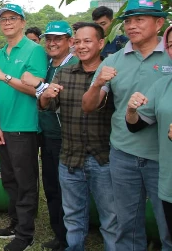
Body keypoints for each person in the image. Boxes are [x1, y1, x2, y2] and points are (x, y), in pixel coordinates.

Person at [82, 0, 172, 250]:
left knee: (168, 228)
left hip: (163, 157)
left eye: (139, 20)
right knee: (127, 225)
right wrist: (98, 83)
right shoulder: (114, 61)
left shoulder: (170, 57)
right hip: (123, 155)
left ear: (159, 24)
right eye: (128, 21)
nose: (132, 26)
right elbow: (88, 106)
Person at [39, 23, 117, 250]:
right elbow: (47, 105)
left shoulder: (110, 73)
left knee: (110, 218)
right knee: (73, 217)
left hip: (103, 158)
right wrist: (45, 96)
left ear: (101, 43)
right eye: (78, 41)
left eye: (88, 41)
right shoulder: (64, 73)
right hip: (70, 158)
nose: (82, 46)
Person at [0, 3, 48, 251]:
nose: (7, 23)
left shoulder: (35, 51)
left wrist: (6, 77)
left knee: (25, 181)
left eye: (12, 18)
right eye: (3, 19)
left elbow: (36, 90)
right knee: (10, 179)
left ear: (23, 22)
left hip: (24, 127)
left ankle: (25, 234)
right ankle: (15, 223)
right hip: (5, 127)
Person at [21, 21, 77, 251]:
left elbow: (63, 97)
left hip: (67, 137)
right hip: (48, 135)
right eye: (49, 39)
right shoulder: (49, 65)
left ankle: (70, 239)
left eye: (58, 39)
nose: (52, 43)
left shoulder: (74, 65)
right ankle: (60, 235)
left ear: (69, 42)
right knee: (52, 186)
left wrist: (39, 85)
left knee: (68, 189)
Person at [126, 23, 172, 239]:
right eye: (170, 45)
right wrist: (131, 110)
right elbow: (136, 126)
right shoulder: (164, 85)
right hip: (169, 182)